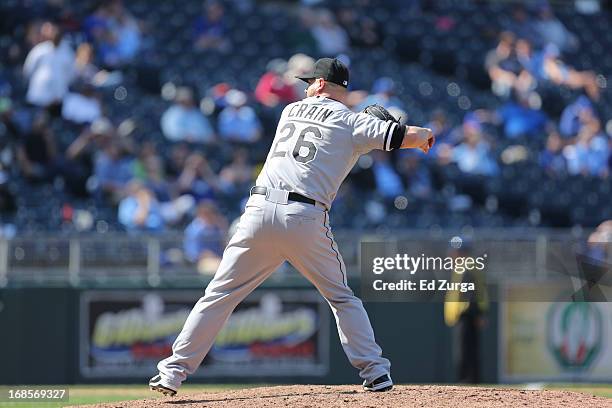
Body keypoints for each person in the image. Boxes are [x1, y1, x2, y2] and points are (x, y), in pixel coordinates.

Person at [149, 57, 434, 395]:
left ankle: (172, 373)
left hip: (256, 212)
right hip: (304, 217)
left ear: (322, 84)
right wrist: (421, 134)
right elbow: (413, 138)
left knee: (218, 295)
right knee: (342, 297)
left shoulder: (290, 111)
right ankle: (375, 372)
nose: (306, 85)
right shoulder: (351, 122)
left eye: (310, 80)